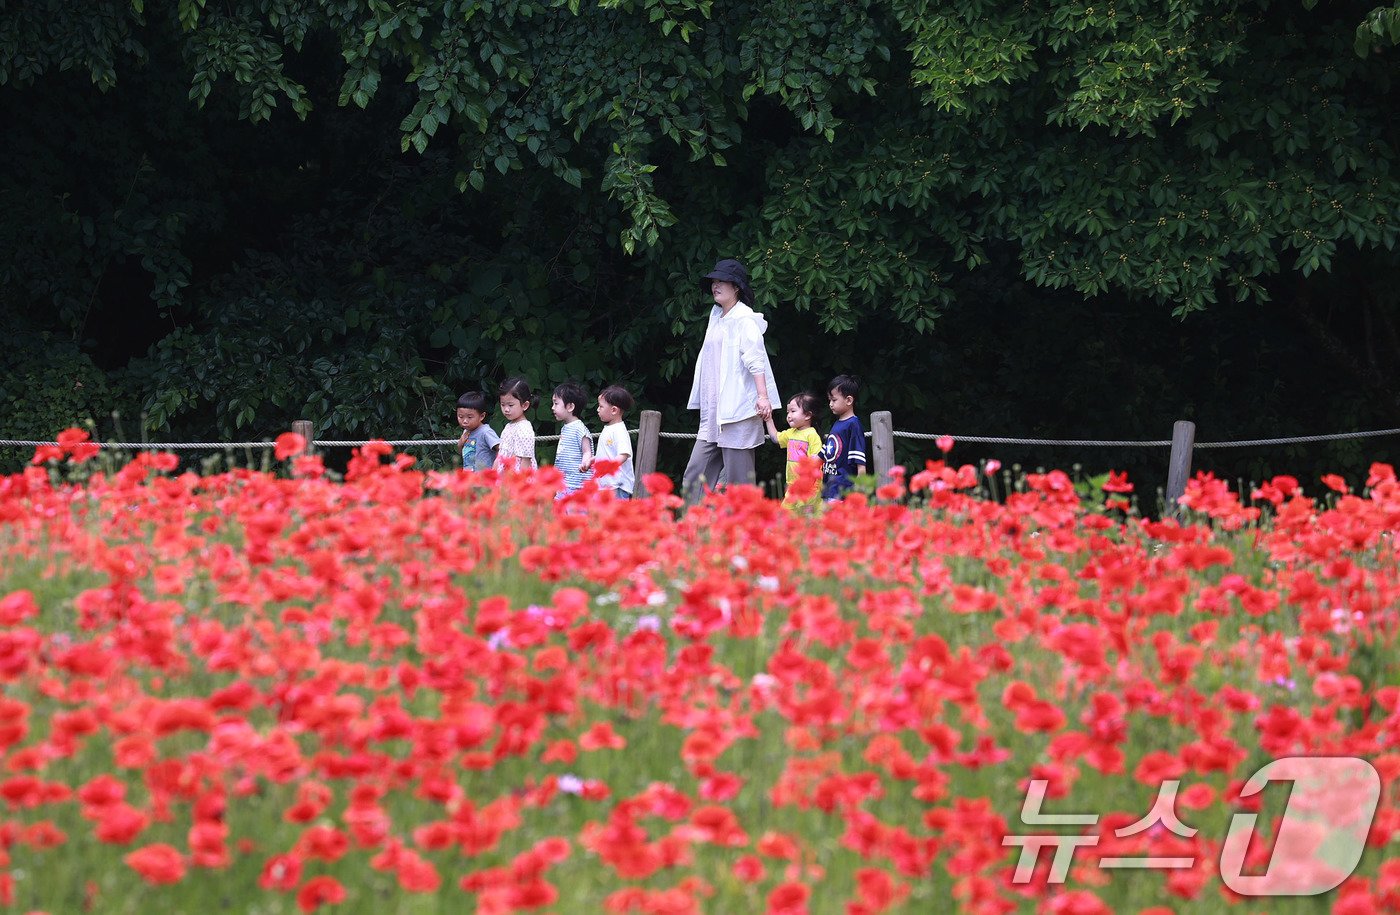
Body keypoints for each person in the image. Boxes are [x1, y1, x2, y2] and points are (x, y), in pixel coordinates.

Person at [683, 257, 780, 503]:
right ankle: (689, 529)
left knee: (739, 485)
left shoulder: (745, 318)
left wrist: (762, 397)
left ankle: (743, 536)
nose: (715, 286)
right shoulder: (716, 316)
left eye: (721, 281)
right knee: (695, 474)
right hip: (713, 414)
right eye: (713, 282)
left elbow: (755, 359)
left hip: (737, 412)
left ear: (736, 286)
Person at [763, 392, 824, 509]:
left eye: (793, 411)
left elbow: (816, 461)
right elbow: (776, 437)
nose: (789, 415)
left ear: (807, 415)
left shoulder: (812, 435)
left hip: (809, 489)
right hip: (792, 487)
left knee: (807, 520)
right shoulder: (791, 433)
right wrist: (768, 419)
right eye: (788, 412)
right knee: (786, 515)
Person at [821, 374, 866, 501]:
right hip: (829, 485)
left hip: (843, 488)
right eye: (829, 400)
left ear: (849, 400)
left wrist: (860, 481)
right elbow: (829, 448)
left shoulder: (853, 424)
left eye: (834, 400)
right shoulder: (837, 423)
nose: (830, 404)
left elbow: (859, 458)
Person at [587, 384, 635, 499]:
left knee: (616, 516)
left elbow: (623, 455)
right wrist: (592, 461)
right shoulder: (608, 428)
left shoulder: (619, 430)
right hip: (606, 486)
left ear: (614, 410)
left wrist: (608, 467)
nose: (597, 410)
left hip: (617, 487)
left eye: (601, 406)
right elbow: (606, 454)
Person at [551, 381, 594, 497]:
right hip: (564, 483)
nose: (552, 407)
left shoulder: (580, 429)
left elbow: (587, 451)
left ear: (570, 407)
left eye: (556, 403)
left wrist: (585, 463)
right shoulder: (565, 428)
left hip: (577, 486)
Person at [495, 377, 538, 471]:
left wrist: (520, 483)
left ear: (525, 405)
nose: (506, 409)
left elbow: (526, 460)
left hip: (516, 478)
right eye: (503, 404)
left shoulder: (524, 428)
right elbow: (501, 454)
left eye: (510, 405)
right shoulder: (509, 426)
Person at [456, 391, 500, 472]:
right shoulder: (466, 431)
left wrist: (494, 469)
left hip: (484, 479)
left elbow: (501, 449)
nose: (465, 421)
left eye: (469, 417)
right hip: (469, 478)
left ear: (482, 416)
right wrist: (460, 444)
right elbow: (462, 454)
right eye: (460, 416)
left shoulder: (486, 432)